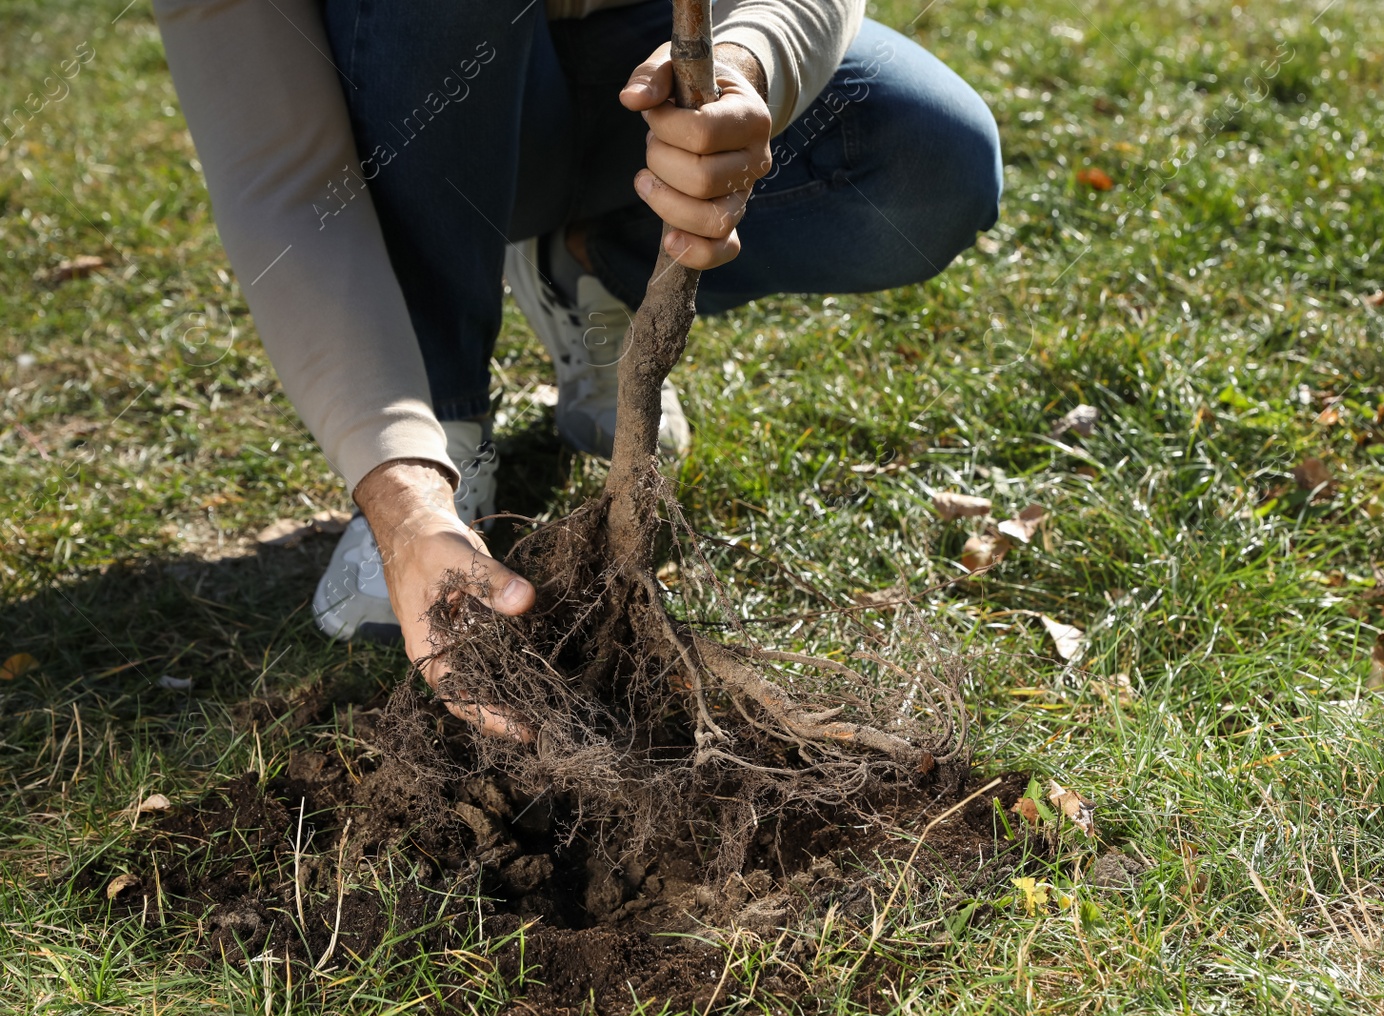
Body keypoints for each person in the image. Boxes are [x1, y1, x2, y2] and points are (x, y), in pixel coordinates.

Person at [153, 0, 1001, 717]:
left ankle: (589, 256)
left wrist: (751, 61)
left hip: (624, 83)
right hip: (398, 101)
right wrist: (401, 497)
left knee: (930, 158)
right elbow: (283, 181)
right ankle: (441, 407)